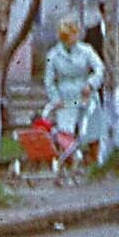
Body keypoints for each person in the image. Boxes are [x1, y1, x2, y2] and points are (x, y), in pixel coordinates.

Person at [41, 17, 103, 162]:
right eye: (69, 35)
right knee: (65, 131)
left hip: (86, 94)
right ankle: (67, 162)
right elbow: (48, 80)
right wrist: (55, 99)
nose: (73, 38)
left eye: (75, 34)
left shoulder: (86, 50)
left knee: (92, 129)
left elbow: (99, 68)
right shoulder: (53, 55)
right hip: (66, 97)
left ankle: (95, 162)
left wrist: (91, 84)